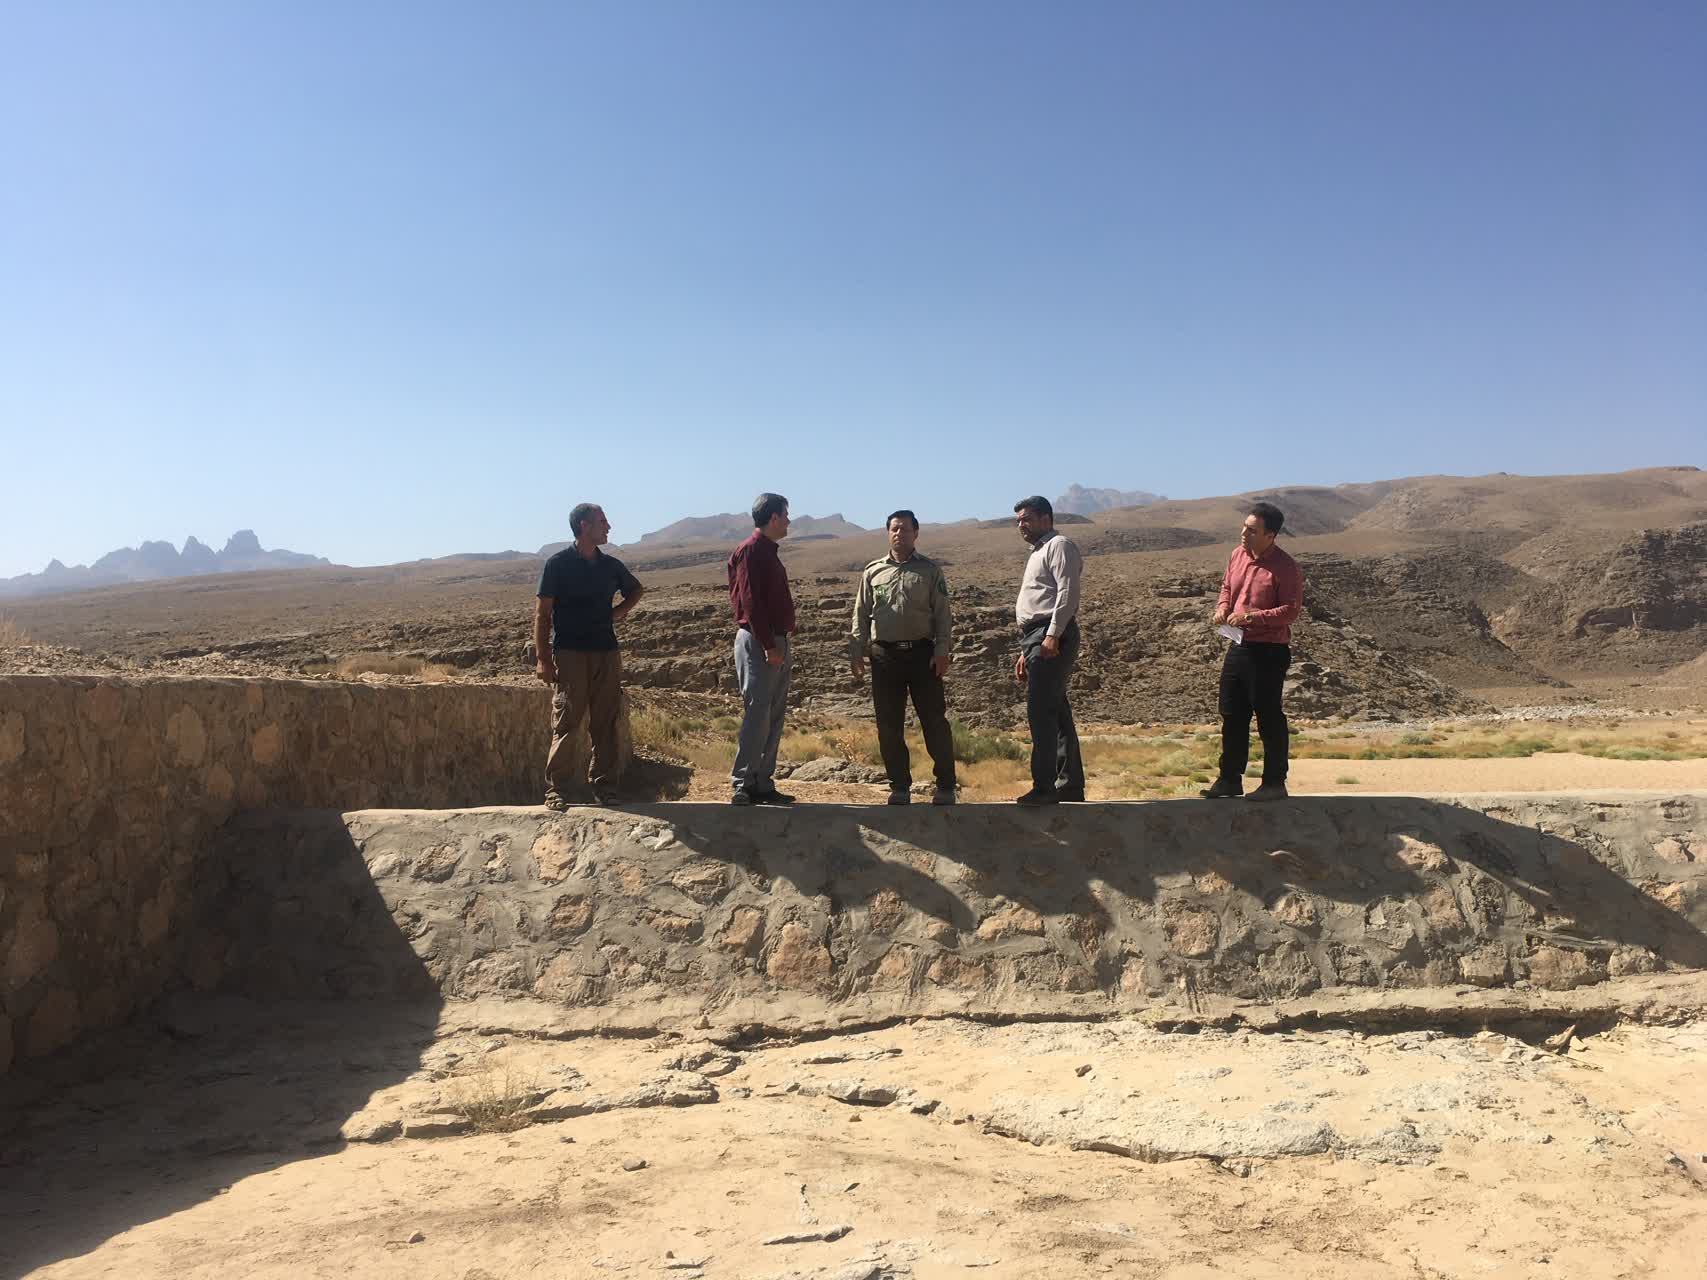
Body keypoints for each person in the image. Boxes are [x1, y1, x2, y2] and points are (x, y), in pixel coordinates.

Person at [533, 503, 645, 808]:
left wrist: (617, 613)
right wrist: (543, 658)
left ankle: (605, 788)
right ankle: (557, 790)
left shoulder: (611, 565)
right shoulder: (558, 564)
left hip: (606, 652)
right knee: (568, 721)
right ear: (584, 526)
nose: (608, 527)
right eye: (602, 521)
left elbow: (636, 590)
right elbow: (543, 614)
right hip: (569, 653)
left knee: (605, 722)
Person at [850, 510, 958, 805]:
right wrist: (857, 650)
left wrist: (942, 650)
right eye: (894, 529)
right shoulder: (873, 571)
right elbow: (861, 613)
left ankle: (946, 785)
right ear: (888, 533)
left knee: (934, 722)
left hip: (923, 655)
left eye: (905, 529)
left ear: (916, 533)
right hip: (884, 657)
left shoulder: (929, 571)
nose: (899, 534)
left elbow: (942, 614)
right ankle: (899, 786)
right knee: (888, 725)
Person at [1201, 501, 1304, 802]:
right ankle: (1229, 779)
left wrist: (1250, 617)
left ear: (1270, 535)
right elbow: (1226, 588)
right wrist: (1223, 607)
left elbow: (1290, 611)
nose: (1244, 534)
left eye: (1252, 530)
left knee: (1268, 715)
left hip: (1269, 650)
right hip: (1238, 645)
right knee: (1232, 712)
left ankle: (1274, 782)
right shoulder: (1237, 555)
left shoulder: (1286, 567)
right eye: (1244, 527)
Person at [1012, 495, 1085, 804]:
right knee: (1056, 710)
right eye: (1019, 521)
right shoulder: (1038, 552)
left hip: (1049, 633)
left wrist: (1052, 634)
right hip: (1037, 636)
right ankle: (1070, 784)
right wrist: (1025, 651)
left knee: (1040, 712)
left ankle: (1044, 787)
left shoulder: (1059, 545)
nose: (1021, 526)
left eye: (1027, 519)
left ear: (1046, 519)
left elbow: (1067, 593)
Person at [727, 492, 797, 806]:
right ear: (773, 518)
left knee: (774, 714)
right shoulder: (751, 550)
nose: (789, 521)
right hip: (760, 641)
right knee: (758, 713)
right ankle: (743, 783)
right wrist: (769, 644)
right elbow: (750, 601)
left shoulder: (767, 551)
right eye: (786, 515)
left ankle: (762, 782)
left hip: (774, 640)